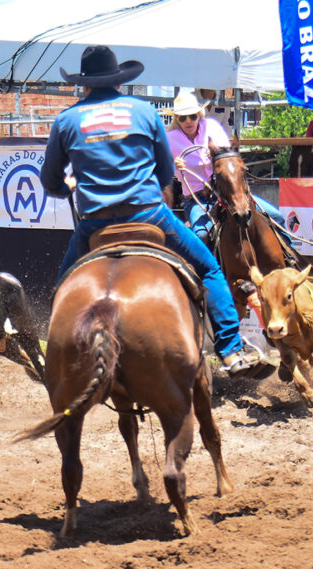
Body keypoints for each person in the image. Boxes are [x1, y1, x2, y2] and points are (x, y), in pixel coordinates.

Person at [39, 45, 266, 378]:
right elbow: (163, 174)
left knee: (63, 289)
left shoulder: (66, 119)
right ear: (118, 81)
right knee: (209, 269)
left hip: (94, 224)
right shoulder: (143, 111)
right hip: (149, 215)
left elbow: (50, 181)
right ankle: (231, 350)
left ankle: (58, 359)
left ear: (83, 84)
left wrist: (67, 187)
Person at [165, 90, 288, 242]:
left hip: (227, 192)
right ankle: (207, 266)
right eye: (183, 118)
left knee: (276, 217)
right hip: (198, 198)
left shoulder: (212, 127)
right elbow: (158, 165)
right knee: (202, 234)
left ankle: (291, 256)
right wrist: (173, 164)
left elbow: (228, 157)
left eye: (192, 116)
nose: (188, 121)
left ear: (199, 115)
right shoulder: (169, 139)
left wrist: (216, 155)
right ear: (177, 120)